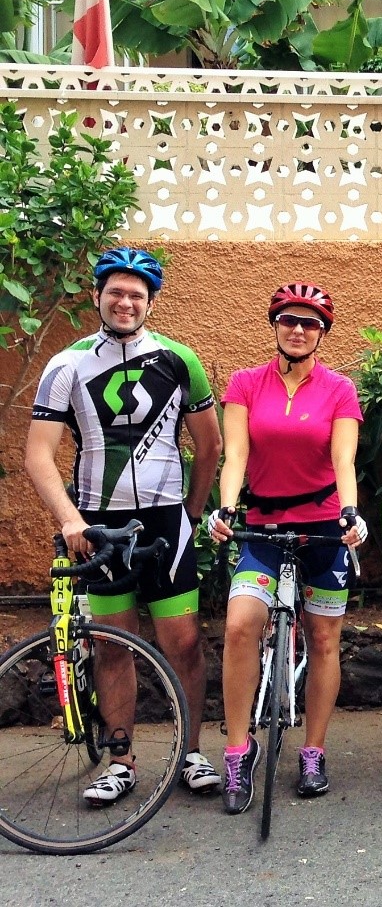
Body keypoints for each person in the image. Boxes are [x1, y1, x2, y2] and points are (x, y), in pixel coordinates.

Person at [24, 247, 222, 803]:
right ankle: (120, 761)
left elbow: (210, 445)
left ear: (151, 302)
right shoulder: (66, 364)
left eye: (137, 294)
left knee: (184, 642)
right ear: (97, 296)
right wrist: (70, 520)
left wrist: (191, 513)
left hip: (165, 521)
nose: (125, 302)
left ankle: (191, 752)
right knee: (114, 646)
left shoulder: (180, 359)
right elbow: (37, 454)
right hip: (98, 527)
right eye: (115, 291)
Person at [206, 283, 365, 813]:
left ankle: (313, 751)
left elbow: (344, 460)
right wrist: (226, 508)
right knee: (239, 625)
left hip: (322, 529)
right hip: (264, 527)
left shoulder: (339, 389)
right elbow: (234, 456)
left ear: (322, 333)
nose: (298, 330)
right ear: (275, 325)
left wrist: (350, 513)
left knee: (323, 640)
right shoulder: (245, 383)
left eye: (310, 323)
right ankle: (238, 750)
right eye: (289, 320)